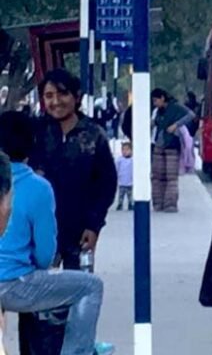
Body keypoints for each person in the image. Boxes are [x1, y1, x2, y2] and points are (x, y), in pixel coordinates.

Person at [0, 111, 112, 355]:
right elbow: (45, 254)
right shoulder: (37, 187)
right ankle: (78, 351)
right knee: (90, 286)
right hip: (14, 285)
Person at [32, 69, 117, 270]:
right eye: (49, 96)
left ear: (76, 96)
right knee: (43, 295)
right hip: (41, 229)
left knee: (80, 292)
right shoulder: (35, 133)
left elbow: (107, 184)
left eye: (62, 94)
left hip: (81, 230)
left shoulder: (94, 134)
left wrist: (94, 225)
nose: (56, 102)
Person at [150, 89, 195, 213]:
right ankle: (158, 203)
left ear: (162, 98)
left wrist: (176, 125)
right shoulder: (158, 111)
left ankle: (170, 204)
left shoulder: (175, 107)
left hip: (172, 145)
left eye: (156, 100)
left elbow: (191, 115)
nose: (155, 103)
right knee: (157, 176)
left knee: (171, 176)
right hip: (158, 144)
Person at [115, 141, 134, 211]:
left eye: (127, 149)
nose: (125, 151)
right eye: (123, 149)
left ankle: (130, 203)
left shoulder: (133, 160)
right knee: (121, 195)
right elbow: (116, 168)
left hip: (130, 182)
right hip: (121, 181)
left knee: (130, 195)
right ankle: (120, 204)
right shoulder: (119, 160)